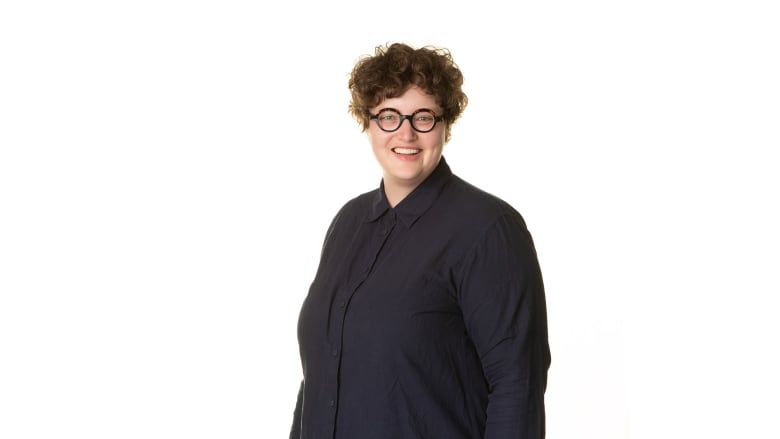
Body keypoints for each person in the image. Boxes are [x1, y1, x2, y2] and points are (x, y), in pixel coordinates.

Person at [290, 42, 551, 439]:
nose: (406, 133)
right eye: (389, 116)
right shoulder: (348, 222)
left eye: (423, 117)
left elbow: (517, 384)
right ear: (368, 122)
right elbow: (320, 373)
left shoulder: (488, 229)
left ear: (446, 123)